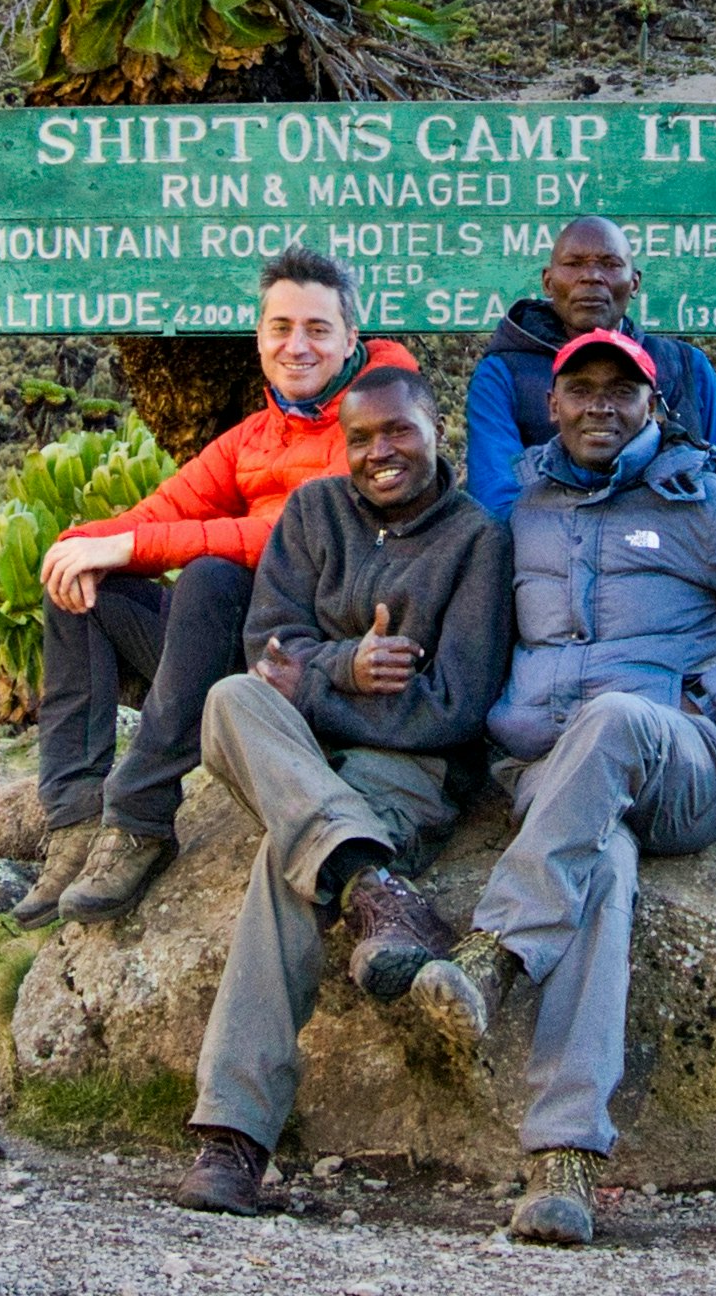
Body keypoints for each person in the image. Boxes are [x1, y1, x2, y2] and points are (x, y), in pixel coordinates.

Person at [465, 326, 716, 1247]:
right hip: (555, 776)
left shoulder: (707, 500)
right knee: (599, 864)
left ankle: (494, 951)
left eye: (622, 390)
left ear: (654, 403)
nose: (600, 405)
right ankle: (564, 1159)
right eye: (581, 389)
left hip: (684, 761)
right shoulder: (523, 505)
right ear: (552, 404)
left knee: (614, 718)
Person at [173, 357, 513, 1216]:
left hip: (406, 773)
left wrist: (319, 687)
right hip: (302, 754)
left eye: (399, 430)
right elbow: (266, 655)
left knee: (292, 863)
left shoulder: (477, 540)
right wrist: (352, 670)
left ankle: (234, 1137)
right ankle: (374, 886)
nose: (379, 451)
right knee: (229, 698)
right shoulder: (313, 514)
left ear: (439, 433)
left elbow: (454, 709)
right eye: (360, 437)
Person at [464, 214, 716, 882]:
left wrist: (681, 545)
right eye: (575, 264)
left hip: (673, 554)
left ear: (635, 281)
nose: (591, 277)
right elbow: (496, 497)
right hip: (544, 562)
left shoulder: (683, 365)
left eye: (608, 264)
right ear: (547, 280)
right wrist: (595, 526)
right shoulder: (505, 372)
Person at [15, 245, 405, 927]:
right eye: (280, 328)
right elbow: (163, 510)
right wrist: (80, 547)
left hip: (304, 665)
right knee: (84, 588)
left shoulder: (378, 423)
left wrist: (132, 545)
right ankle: (76, 826)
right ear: (258, 339)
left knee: (211, 576)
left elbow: (289, 537)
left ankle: (140, 820)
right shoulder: (255, 435)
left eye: (317, 329)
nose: (297, 345)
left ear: (351, 339)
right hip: (219, 653)